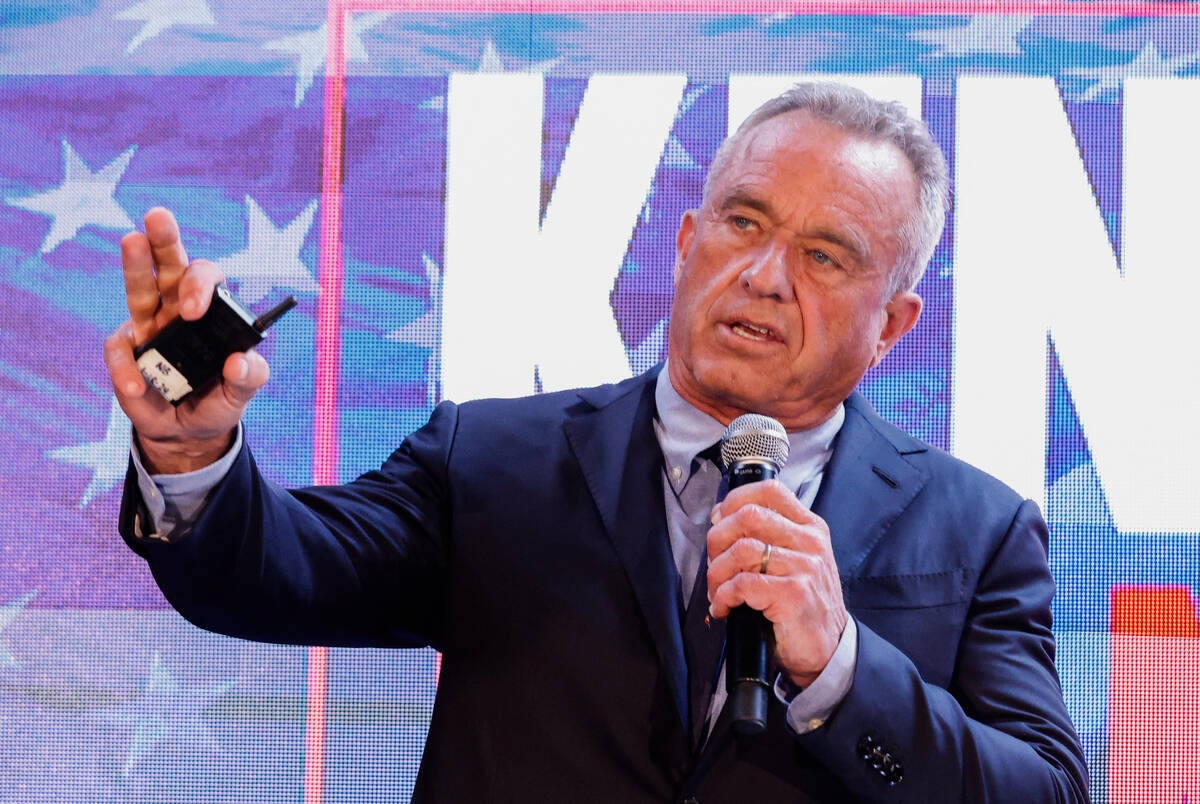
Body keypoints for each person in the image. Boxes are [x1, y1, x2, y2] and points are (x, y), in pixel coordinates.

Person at [106, 82, 1089, 801]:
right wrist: (191, 458)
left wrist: (838, 666)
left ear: (892, 325)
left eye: (826, 255)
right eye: (744, 223)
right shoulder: (489, 462)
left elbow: (1043, 794)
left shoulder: (979, 530)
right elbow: (269, 572)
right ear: (685, 241)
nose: (763, 274)